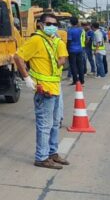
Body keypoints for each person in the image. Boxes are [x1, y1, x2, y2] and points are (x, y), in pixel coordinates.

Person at [13, 13, 69, 169]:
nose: (52, 27)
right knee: (45, 124)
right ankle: (42, 157)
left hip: (55, 87)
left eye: (54, 24)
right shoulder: (36, 40)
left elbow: (60, 60)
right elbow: (17, 57)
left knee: (55, 122)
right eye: (49, 24)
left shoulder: (52, 41)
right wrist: (26, 78)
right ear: (40, 24)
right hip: (44, 89)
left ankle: (52, 153)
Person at [66, 18, 86, 85]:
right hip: (79, 49)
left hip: (72, 49)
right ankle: (82, 80)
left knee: (73, 65)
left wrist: (67, 49)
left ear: (70, 22)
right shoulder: (80, 30)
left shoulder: (70, 31)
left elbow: (69, 41)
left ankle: (75, 80)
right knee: (80, 65)